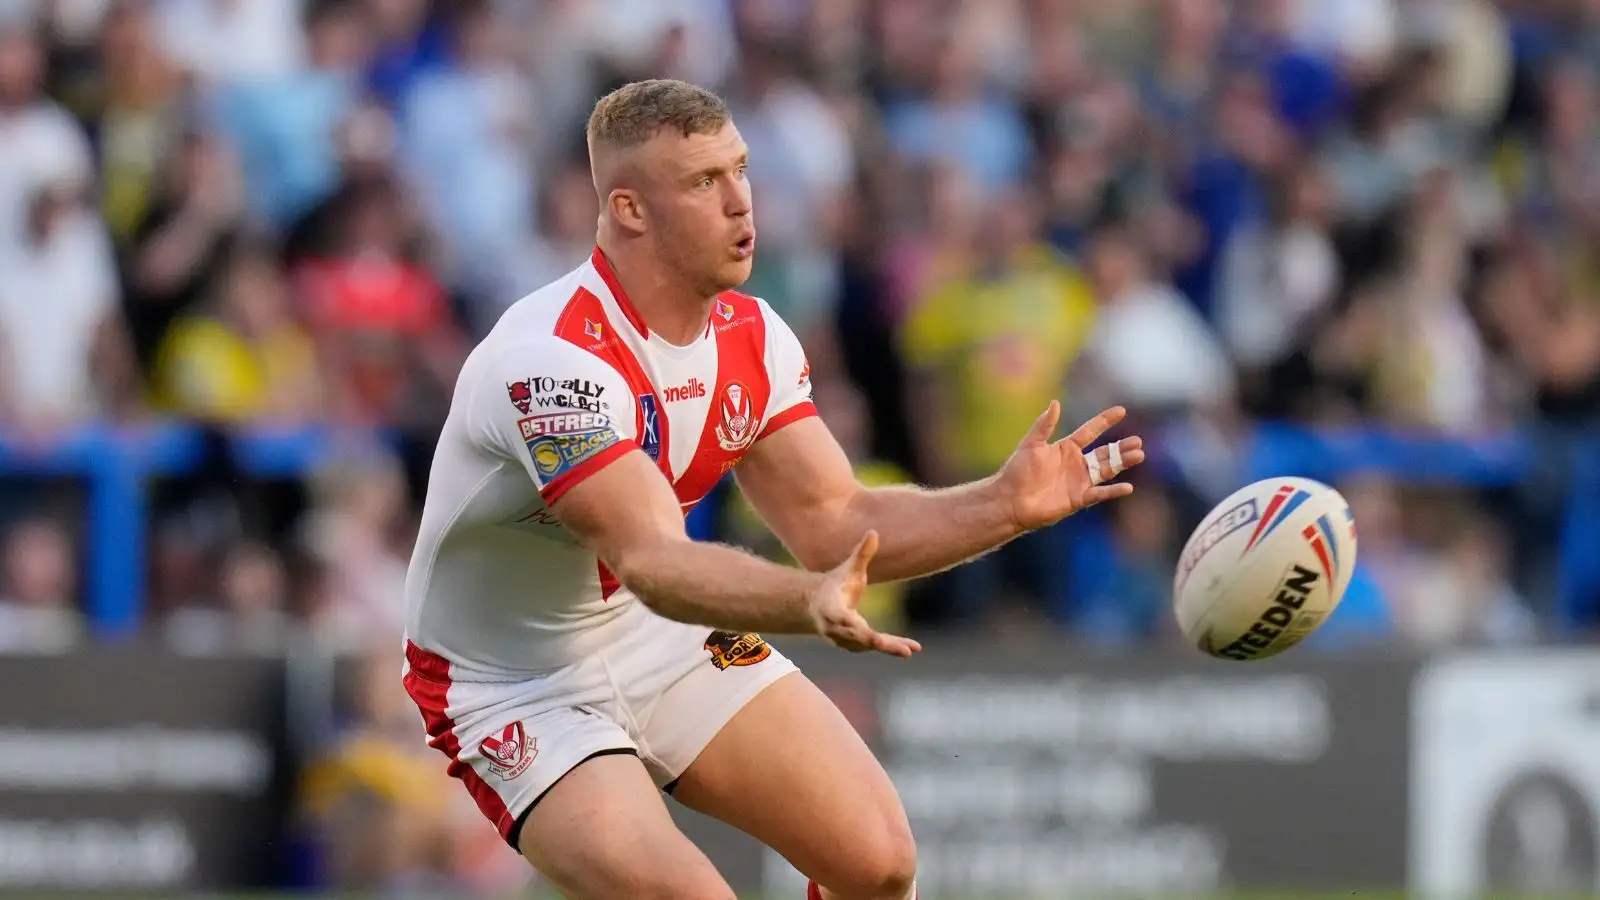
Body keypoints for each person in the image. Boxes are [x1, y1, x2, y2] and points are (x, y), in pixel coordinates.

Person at [401, 79, 1145, 900]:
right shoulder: (551, 363)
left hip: (654, 639)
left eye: (741, 170)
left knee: (879, 863)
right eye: (702, 182)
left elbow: (838, 519)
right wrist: (804, 599)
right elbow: (651, 558)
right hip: (511, 682)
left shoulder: (753, 338)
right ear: (629, 210)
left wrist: (1002, 506)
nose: (740, 202)